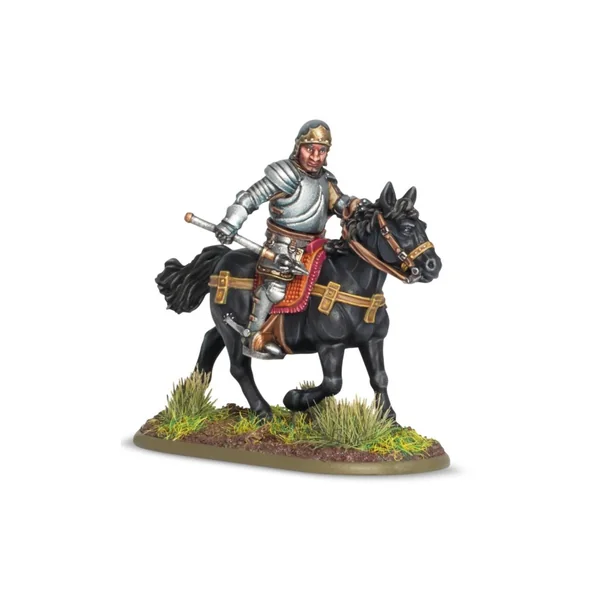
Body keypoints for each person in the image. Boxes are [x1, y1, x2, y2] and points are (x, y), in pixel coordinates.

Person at [215, 120, 363, 357]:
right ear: (298, 147)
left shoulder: (326, 180)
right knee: (275, 288)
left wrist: (356, 206)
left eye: (321, 151)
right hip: (283, 245)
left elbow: (340, 203)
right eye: (310, 149)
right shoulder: (285, 175)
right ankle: (254, 335)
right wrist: (231, 223)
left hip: (318, 246)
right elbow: (250, 198)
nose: (315, 156)